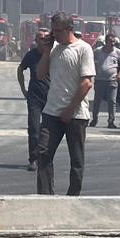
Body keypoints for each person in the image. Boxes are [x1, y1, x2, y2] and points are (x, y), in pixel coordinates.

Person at [35, 13, 94, 195]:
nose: (55, 34)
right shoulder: (53, 50)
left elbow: (86, 83)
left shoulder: (83, 49)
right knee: (43, 152)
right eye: (53, 31)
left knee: (76, 159)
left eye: (59, 31)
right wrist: (46, 50)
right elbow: (40, 75)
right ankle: (45, 195)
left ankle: (72, 196)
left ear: (69, 29)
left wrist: (70, 109)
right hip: (52, 111)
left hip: (75, 114)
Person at [17, 29, 52, 170]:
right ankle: (33, 159)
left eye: (46, 38)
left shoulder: (53, 55)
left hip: (51, 96)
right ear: (36, 40)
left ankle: (45, 157)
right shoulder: (31, 55)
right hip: (34, 97)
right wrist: (23, 89)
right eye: (41, 38)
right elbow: (20, 69)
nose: (44, 41)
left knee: (49, 130)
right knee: (34, 128)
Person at [92, 33, 120, 128]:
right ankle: (94, 119)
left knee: (112, 101)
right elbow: (90, 61)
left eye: (114, 41)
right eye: (110, 41)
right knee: (97, 101)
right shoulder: (98, 51)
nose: (112, 43)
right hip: (99, 80)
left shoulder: (117, 51)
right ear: (105, 42)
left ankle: (111, 121)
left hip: (112, 80)